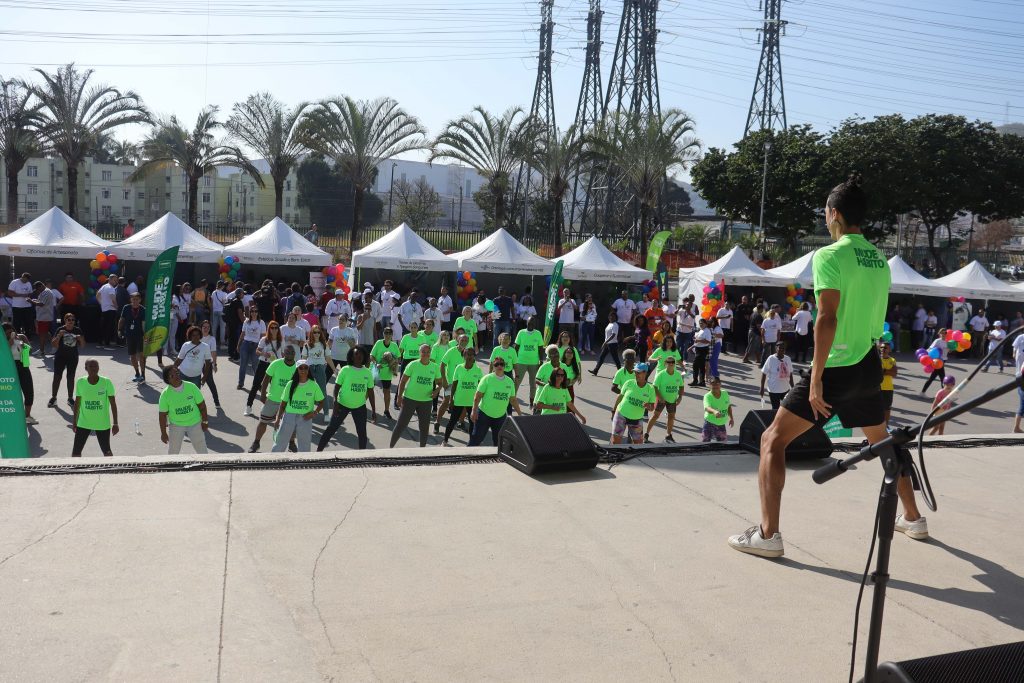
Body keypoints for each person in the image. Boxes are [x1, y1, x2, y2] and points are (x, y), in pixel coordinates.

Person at [728, 173, 926, 559]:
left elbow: (827, 318)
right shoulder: (880, 262)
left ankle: (767, 536)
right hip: (870, 364)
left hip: (838, 366)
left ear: (834, 214)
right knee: (883, 442)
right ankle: (913, 518)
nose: (824, 219)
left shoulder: (830, 256)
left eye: (824, 213)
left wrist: (815, 379)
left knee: (772, 440)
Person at [318, 347, 376, 450]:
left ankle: (362, 456)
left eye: (361, 354)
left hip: (359, 407)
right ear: (352, 357)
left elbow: (371, 392)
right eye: (356, 354)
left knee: (362, 433)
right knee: (331, 429)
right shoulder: (345, 370)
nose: (359, 356)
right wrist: (335, 402)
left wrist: (374, 411)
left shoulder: (367, 372)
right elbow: (336, 387)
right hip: (342, 405)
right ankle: (318, 452)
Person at [390, 343, 441, 448]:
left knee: (424, 427)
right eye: (423, 352)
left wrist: (437, 390)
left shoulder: (435, 367)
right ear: (419, 353)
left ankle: (422, 451)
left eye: (428, 352)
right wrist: (399, 397)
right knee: (400, 425)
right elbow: (402, 382)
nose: (426, 354)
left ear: (430, 353)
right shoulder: (413, 365)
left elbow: (440, 383)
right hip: (410, 399)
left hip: (426, 401)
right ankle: (390, 449)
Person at [249, 345, 298, 453]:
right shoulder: (276, 363)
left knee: (292, 424)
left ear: (295, 354)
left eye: (292, 352)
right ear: (283, 353)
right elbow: (266, 379)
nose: (289, 354)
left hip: (289, 402)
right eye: (287, 352)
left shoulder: (298, 367)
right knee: (263, 421)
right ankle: (256, 443)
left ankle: (292, 443)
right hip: (272, 399)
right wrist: (262, 394)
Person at [272, 361, 324, 452]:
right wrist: (277, 418)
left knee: (305, 445)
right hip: (289, 416)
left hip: (305, 418)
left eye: (305, 368)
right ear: (297, 369)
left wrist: (314, 413)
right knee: (280, 443)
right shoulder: (290, 384)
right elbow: (283, 403)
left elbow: (321, 402)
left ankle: (303, 464)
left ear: (308, 369)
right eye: (300, 368)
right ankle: (274, 462)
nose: (303, 370)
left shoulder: (313, 385)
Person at [469, 356, 521, 446]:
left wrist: (520, 414)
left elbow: (512, 399)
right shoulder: (487, 379)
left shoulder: (509, 381)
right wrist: (474, 411)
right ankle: (467, 457)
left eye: (502, 364)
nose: (499, 366)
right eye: (497, 364)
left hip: (500, 417)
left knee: (499, 442)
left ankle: (497, 460)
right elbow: (477, 396)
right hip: (484, 414)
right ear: (493, 366)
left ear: (505, 366)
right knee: (476, 439)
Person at [158, 366, 209, 454]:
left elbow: (202, 405)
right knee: (173, 452)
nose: (176, 376)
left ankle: (205, 466)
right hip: (176, 425)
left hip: (195, 423)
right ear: (167, 380)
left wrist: (205, 422)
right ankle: (172, 467)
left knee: (202, 450)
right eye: (172, 375)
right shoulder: (165, 394)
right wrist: (163, 433)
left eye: (177, 373)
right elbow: (162, 415)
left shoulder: (191, 387)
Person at [71, 359, 117, 456]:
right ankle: (75, 471)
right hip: (83, 423)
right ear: (86, 368)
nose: (94, 368)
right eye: (91, 366)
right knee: (76, 452)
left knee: (107, 451)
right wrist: (75, 421)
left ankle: (111, 470)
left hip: (102, 423)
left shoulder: (106, 382)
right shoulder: (80, 382)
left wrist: (115, 423)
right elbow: (77, 403)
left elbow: (113, 403)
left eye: (96, 366)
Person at [440, 345, 481, 446]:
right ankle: (445, 440)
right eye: (467, 354)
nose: (469, 356)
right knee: (452, 421)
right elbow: (454, 384)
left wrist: (480, 402)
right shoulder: (458, 368)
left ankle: (472, 443)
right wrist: (451, 400)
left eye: (472, 354)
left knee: (473, 423)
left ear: (474, 356)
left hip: (471, 401)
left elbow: (480, 387)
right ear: (464, 356)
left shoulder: (478, 370)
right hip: (458, 400)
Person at [245, 321, 284, 417]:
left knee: (275, 387)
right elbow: (257, 351)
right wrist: (263, 354)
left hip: (276, 365)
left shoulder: (281, 340)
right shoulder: (264, 339)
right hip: (263, 364)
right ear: (269, 329)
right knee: (256, 385)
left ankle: (275, 409)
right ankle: (248, 406)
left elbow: (283, 354)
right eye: (272, 328)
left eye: (276, 328)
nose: (274, 330)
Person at [610, 362, 655, 445]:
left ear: (645, 373)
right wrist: (613, 411)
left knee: (638, 445)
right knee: (615, 442)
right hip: (621, 415)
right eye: (635, 372)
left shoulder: (650, 389)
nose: (636, 374)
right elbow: (620, 397)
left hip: (636, 420)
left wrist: (648, 406)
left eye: (638, 372)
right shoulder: (629, 383)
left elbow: (652, 408)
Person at [49, 313, 84, 408]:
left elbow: (83, 345)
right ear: (65, 320)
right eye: (69, 320)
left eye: (73, 320)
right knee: (57, 377)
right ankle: (54, 398)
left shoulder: (77, 330)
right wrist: (59, 336)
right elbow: (54, 345)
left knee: (70, 377)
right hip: (60, 356)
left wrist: (80, 339)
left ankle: (70, 398)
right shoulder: (60, 329)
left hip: (72, 357)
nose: (71, 322)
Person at [645, 356, 683, 443]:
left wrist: (680, 397)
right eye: (669, 362)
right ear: (665, 364)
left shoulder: (677, 374)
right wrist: (660, 397)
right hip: (661, 399)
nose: (671, 364)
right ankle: (646, 434)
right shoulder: (661, 374)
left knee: (671, 417)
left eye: (673, 362)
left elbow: (681, 386)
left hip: (672, 400)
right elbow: (654, 386)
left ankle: (668, 435)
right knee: (655, 416)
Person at [5, 323, 35, 424]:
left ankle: (27, 416)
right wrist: (10, 341)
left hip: (23, 366)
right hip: (10, 368)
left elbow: (30, 350)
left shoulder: (22, 337)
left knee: (29, 392)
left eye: (11, 331)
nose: (10, 333)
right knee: (11, 394)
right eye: (7, 332)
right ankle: (11, 416)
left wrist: (24, 345)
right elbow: (3, 352)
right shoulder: (4, 341)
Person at [370, 328, 401, 420]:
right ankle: (361, 406)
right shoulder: (379, 343)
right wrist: (376, 363)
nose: (387, 335)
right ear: (383, 334)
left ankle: (386, 410)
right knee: (369, 389)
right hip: (376, 370)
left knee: (386, 391)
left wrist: (393, 362)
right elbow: (371, 356)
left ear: (392, 335)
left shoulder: (394, 345)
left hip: (387, 372)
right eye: (386, 333)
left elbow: (398, 358)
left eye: (389, 333)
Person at [175, 326, 213, 395]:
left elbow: (208, 363)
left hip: (196, 377)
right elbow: (179, 359)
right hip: (183, 375)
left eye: (198, 335)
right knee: (181, 395)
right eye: (193, 335)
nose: (196, 337)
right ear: (190, 336)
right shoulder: (185, 345)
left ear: (200, 335)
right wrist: (173, 370)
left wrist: (204, 377)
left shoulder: (205, 347)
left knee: (195, 396)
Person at [305, 325, 334, 415]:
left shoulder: (324, 345)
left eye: (318, 332)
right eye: (314, 332)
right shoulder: (307, 345)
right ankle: (306, 411)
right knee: (307, 391)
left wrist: (334, 369)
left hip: (320, 368)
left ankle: (326, 414)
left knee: (323, 391)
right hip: (309, 369)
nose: (316, 334)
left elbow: (328, 358)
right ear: (311, 333)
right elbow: (304, 359)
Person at [118, 292, 147, 382]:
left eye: (137, 299)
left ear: (140, 300)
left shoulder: (143, 309)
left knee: (141, 356)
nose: (135, 301)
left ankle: (143, 374)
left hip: (140, 336)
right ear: (130, 299)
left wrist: (145, 335)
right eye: (133, 299)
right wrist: (119, 330)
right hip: (129, 335)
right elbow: (122, 319)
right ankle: (137, 373)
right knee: (132, 356)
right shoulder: (126, 308)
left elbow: (143, 324)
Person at [759, 342, 795, 410]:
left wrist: (793, 388)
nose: (781, 350)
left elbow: (790, 374)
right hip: (774, 390)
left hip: (785, 389)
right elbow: (764, 373)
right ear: (776, 348)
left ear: (785, 350)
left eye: (783, 348)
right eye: (779, 348)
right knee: (775, 408)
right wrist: (762, 388)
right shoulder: (771, 359)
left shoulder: (788, 359)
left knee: (786, 408)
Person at [237, 306, 266, 389]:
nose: (254, 313)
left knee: (255, 366)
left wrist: (262, 348)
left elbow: (263, 336)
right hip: (246, 344)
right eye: (252, 311)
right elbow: (242, 334)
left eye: (255, 311)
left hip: (256, 345)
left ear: (258, 312)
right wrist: (238, 345)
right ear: (250, 313)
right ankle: (240, 383)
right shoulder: (246, 322)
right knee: (243, 365)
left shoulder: (261, 322)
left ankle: (258, 384)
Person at [701, 376, 733, 443]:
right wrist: (714, 411)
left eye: (717, 384)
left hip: (721, 424)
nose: (715, 386)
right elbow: (707, 408)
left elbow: (729, 406)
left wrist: (731, 418)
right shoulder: (707, 396)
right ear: (710, 385)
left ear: (720, 384)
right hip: (709, 423)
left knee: (723, 445)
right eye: (713, 384)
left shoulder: (725, 393)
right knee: (705, 444)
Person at [199, 320, 222, 408]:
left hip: (207, 364)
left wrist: (215, 364)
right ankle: (196, 402)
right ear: (201, 328)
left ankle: (217, 402)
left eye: (208, 327)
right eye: (204, 327)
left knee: (210, 383)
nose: (206, 329)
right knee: (196, 384)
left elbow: (213, 352)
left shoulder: (212, 339)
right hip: (196, 363)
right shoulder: (197, 337)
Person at [591, 311, 621, 376]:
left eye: (613, 316)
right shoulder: (610, 324)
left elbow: (613, 335)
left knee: (616, 359)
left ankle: (620, 374)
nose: (611, 317)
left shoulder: (615, 325)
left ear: (616, 318)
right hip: (608, 344)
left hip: (613, 344)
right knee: (601, 357)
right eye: (610, 316)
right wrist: (606, 343)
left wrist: (605, 342)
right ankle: (595, 370)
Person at [31, 281, 55, 358]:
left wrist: (31, 301)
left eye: (38, 289)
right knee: (45, 333)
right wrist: (35, 301)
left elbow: (42, 304)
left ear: (41, 286)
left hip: (45, 317)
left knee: (42, 334)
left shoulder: (46, 292)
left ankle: (42, 350)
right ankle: (54, 347)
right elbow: (41, 302)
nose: (38, 291)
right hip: (42, 316)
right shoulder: (43, 292)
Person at [7, 272, 34, 338]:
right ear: (23, 277)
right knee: (17, 323)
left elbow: (30, 293)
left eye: (27, 280)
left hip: (27, 306)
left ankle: (28, 337)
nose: (26, 281)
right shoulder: (14, 282)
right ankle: (16, 337)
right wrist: (21, 295)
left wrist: (29, 295)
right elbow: (10, 293)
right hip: (17, 307)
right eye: (25, 280)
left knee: (27, 323)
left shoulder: (28, 283)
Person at [921, 329, 948, 394]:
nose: (944, 334)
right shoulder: (937, 341)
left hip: (943, 361)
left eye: (945, 333)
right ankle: (945, 395)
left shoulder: (947, 342)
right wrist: (927, 355)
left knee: (932, 378)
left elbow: (948, 351)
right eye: (942, 333)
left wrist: (950, 350)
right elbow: (931, 348)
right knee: (943, 378)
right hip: (937, 361)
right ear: (939, 334)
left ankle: (922, 392)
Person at [96, 274, 119, 349]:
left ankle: (100, 343)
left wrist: (101, 303)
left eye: (116, 280)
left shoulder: (104, 286)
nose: (116, 281)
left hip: (104, 309)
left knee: (103, 326)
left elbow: (97, 295)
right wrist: (116, 306)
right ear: (110, 279)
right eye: (115, 280)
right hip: (111, 310)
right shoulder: (111, 288)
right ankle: (107, 344)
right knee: (109, 327)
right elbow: (113, 299)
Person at [688, 318, 712, 387]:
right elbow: (697, 341)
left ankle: (695, 380)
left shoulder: (707, 331)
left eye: (702, 323)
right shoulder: (701, 330)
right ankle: (702, 382)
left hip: (703, 350)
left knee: (695, 365)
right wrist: (691, 347)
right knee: (701, 366)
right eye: (700, 323)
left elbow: (708, 341)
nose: (701, 324)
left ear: (706, 324)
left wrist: (698, 341)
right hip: (698, 349)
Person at [879, 342, 897, 426]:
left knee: (887, 409)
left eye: (885, 348)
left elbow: (894, 373)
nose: (883, 349)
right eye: (882, 347)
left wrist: (883, 371)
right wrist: (887, 371)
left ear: (889, 350)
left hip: (888, 388)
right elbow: (877, 372)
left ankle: (886, 426)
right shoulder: (877, 359)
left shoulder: (892, 360)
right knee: (877, 408)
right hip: (877, 388)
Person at [1013, 331, 1024, 433]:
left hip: (1021, 376)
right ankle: (1016, 427)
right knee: (1022, 404)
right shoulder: (1020, 337)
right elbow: (1015, 346)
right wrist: (1013, 352)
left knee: (1022, 404)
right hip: (1021, 376)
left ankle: (1016, 427)